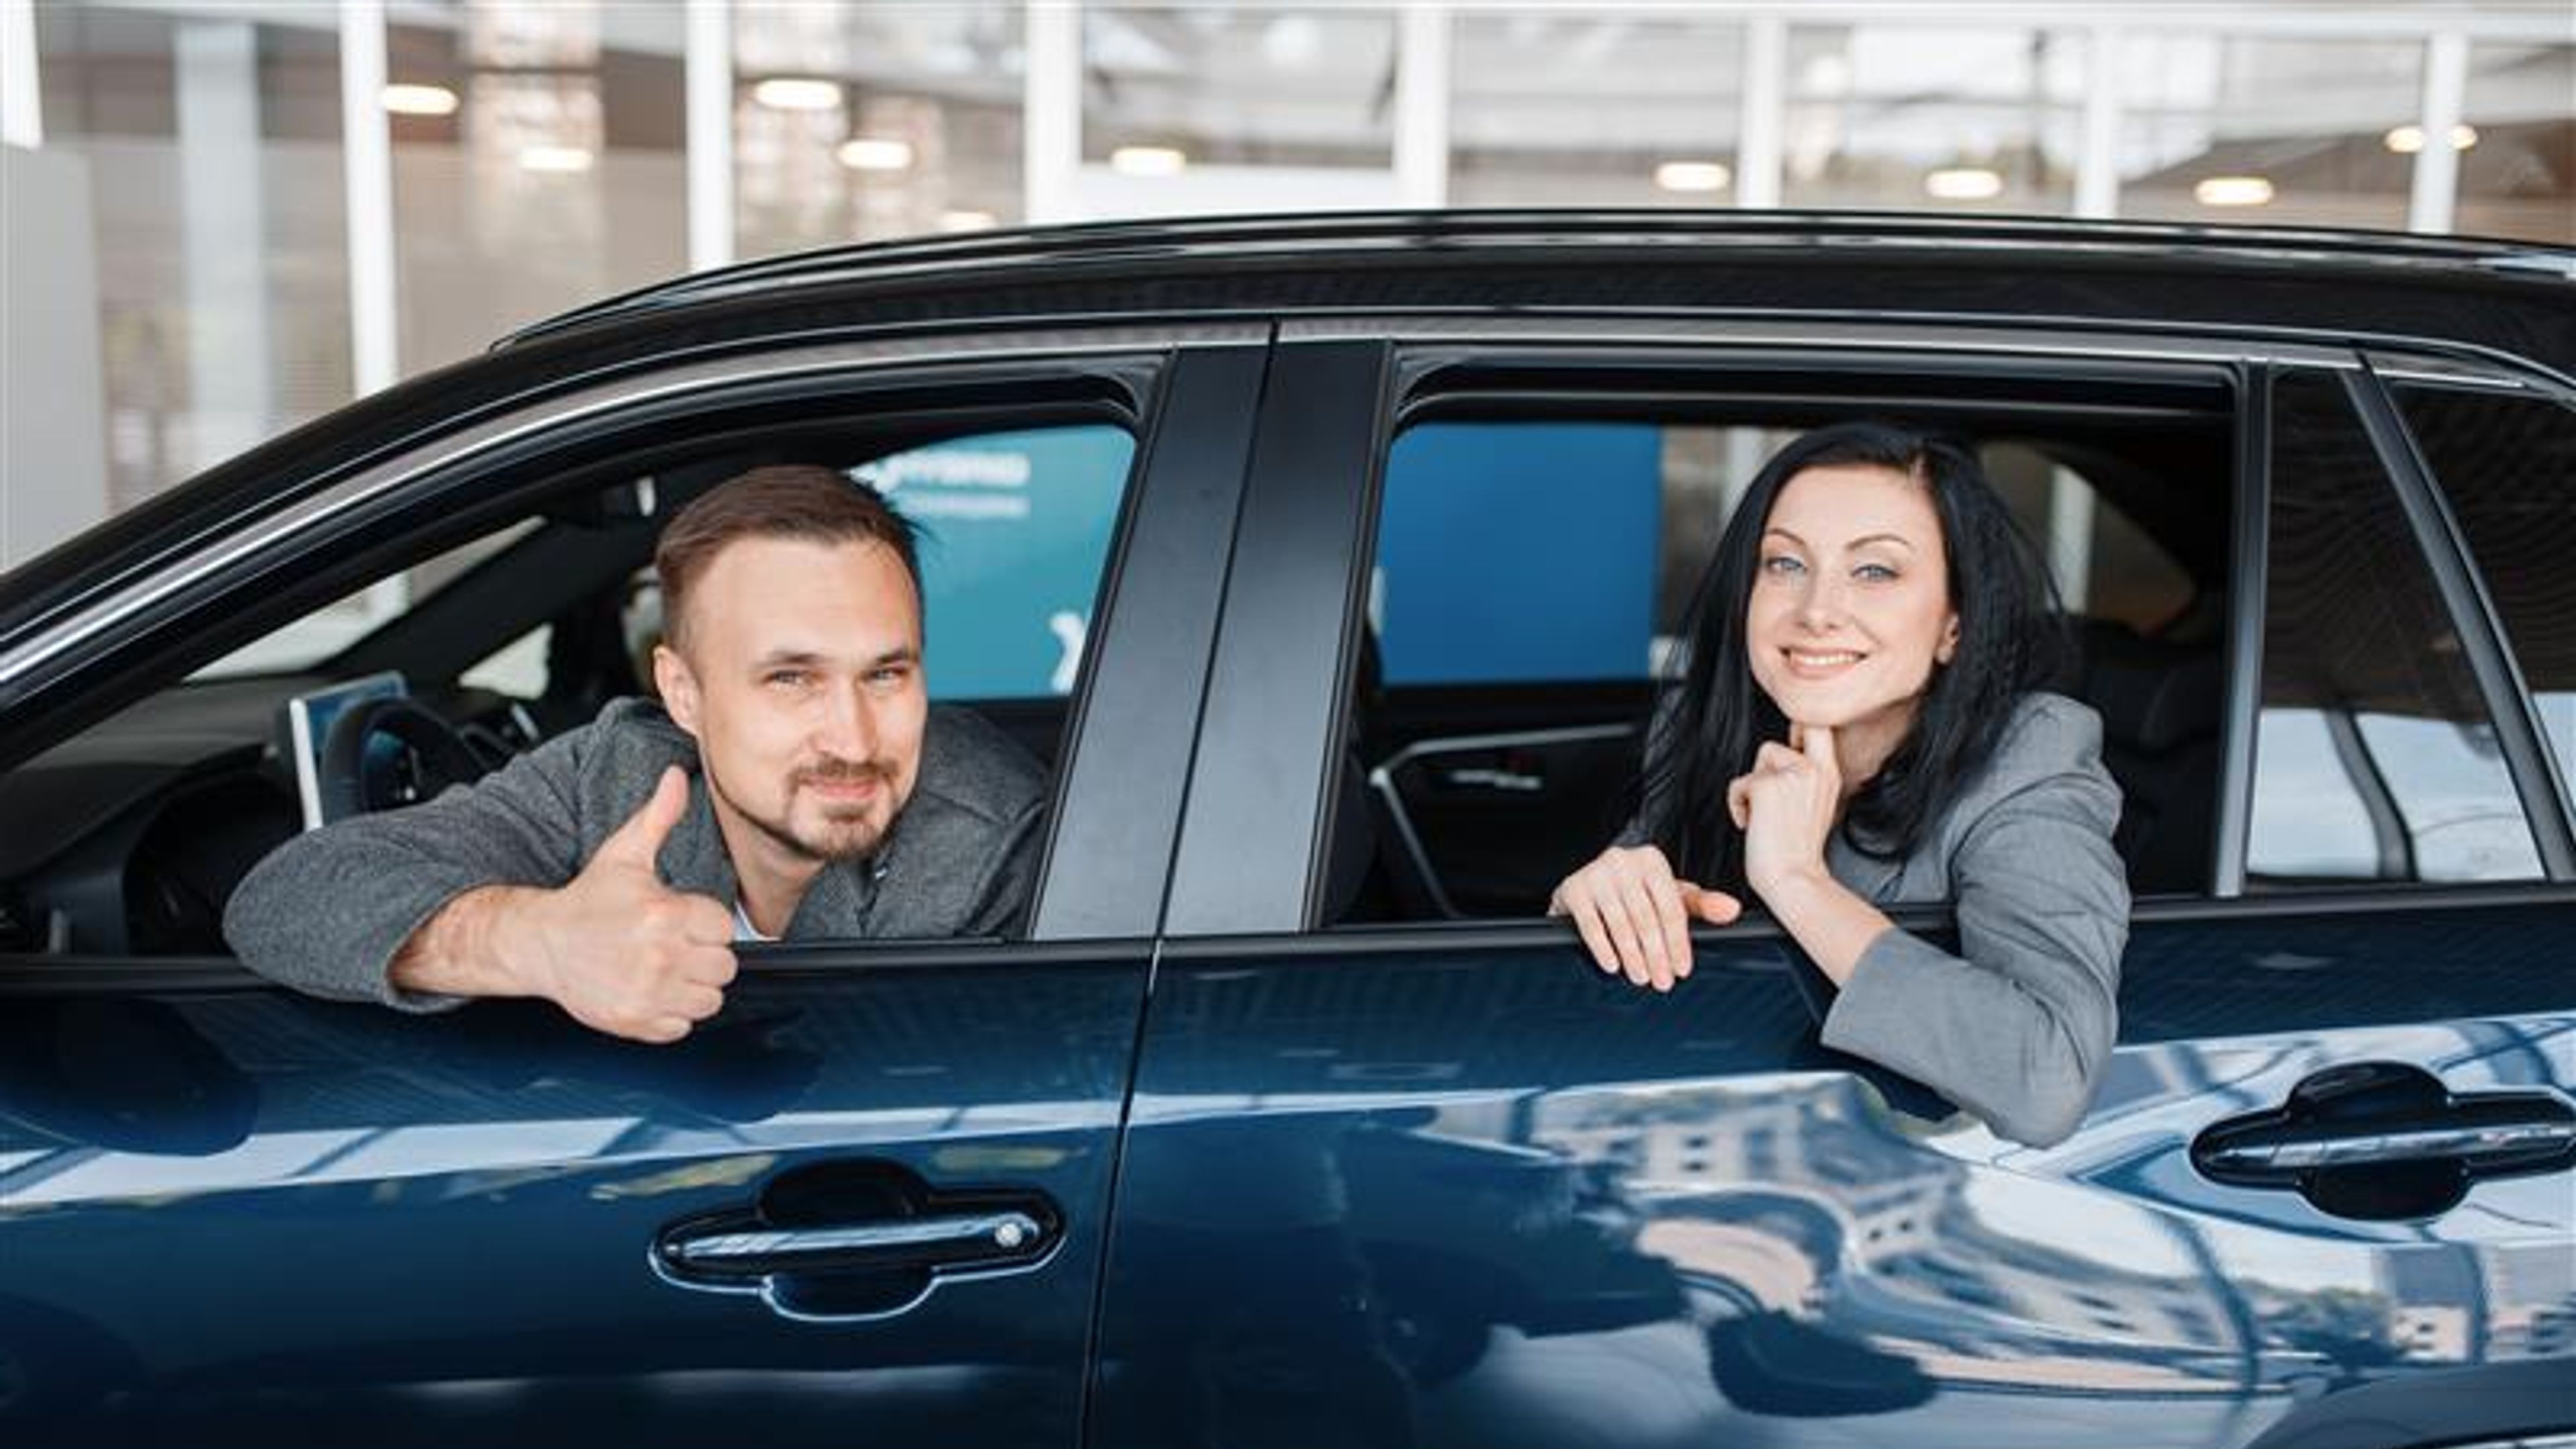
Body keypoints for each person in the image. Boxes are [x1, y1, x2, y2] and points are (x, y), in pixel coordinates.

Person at [224, 464, 1046, 1044]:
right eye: (792, 678)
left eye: (886, 674)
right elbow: (285, 898)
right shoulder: (625, 771)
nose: (855, 739)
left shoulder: (996, 854)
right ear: (683, 693)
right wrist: (540, 941)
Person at [1548, 421, 2127, 1146]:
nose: (1816, 610)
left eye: (1875, 571)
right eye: (1785, 565)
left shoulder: (2027, 763)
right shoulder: (1712, 729)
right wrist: (1594, 902)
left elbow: (2048, 1079)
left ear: (1955, 624)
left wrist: (1797, 880)